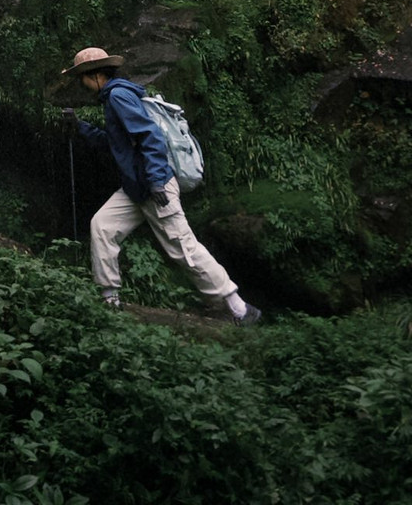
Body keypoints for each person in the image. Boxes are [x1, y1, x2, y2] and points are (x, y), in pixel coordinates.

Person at [59, 46, 261, 322]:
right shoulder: (113, 98)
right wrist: (80, 127)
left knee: (183, 248)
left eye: (80, 77)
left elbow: (150, 137)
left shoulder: (118, 96)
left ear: (93, 75)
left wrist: (155, 181)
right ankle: (110, 299)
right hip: (136, 187)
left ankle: (239, 307)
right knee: (103, 226)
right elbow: (115, 144)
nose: (80, 84)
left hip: (155, 187)